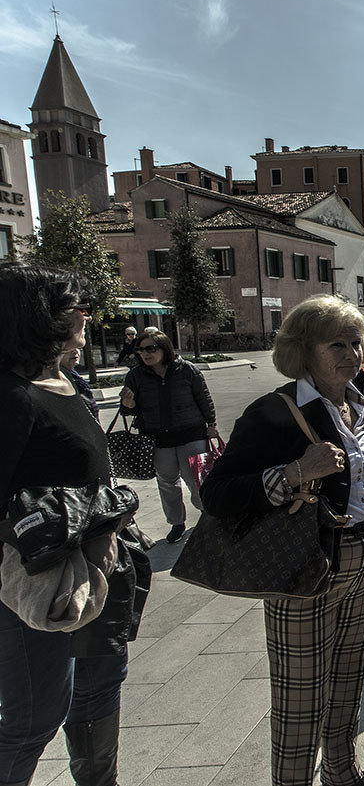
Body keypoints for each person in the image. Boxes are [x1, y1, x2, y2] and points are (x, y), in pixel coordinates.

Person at [201, 295, 364, 786]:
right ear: (303, 352)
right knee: (300, 697)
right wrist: (294, 472)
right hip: (305, 569)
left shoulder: (359, 407)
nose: (352, 353)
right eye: (336, 344)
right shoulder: (273, 412)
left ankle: (341, 772)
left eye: (357, 342)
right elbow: (216, 495)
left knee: (349, 677)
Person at [0, 263, 149, 786]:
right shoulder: (12, 398)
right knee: (34, 718)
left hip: (100, 569)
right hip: (41, 580)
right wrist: (77, 520)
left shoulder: (65, 382)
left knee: (100, 688)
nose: (86, 314)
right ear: (38, 317)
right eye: (73, 306)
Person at [120, 329, 217, 544]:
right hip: (157, 439)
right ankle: (176, 523)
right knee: (166, 482)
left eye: (150, 349)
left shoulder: (186, 370)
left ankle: (206, 514)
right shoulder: (136, 376)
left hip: (191, 433)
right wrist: (128, 404)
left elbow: (203, 397)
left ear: (165, 349)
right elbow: (129, 411)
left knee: (196, 479)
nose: (145, 354)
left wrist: (212, 424)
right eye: (141, 350)